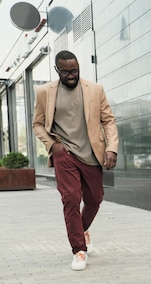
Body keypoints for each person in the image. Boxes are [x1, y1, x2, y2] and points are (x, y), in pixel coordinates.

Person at [33, 50, 119, 271]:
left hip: (91, 154)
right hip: (64, 154)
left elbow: (108, 120)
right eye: (66, 72)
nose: (71, 75)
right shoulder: (44, 92)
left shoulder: (95, 90)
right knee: (70, 198)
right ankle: (79, 250)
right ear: (57, 70)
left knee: (95, 199)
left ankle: (82, 230)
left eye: (75, 70)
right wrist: (53, 146)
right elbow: (38, 124)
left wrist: (112, 148)